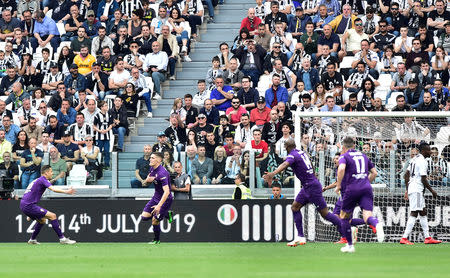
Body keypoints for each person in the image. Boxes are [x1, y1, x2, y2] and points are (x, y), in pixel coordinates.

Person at [264, 139, 343, 246]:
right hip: (308, 186)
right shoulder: (301, 152)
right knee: (295, 207)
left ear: (287, 147)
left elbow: (285, 164)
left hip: (311, 187)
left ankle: (346, 229)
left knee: (325, 214)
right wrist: (313, 177)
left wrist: (272, 174)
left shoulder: (292, 155)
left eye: (284, 147)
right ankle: (300, 237)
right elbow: (311, 165)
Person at [335, 137, 384, 253]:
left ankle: (350, 245)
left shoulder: (344, 156)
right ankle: (377, 224)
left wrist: (338, 185)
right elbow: (374, 173)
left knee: (343, 216)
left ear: (344, 147)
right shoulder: (363, 155)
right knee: (367, 217)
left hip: (352, 189)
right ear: (354, 146)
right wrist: (365, 182)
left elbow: (341, 169)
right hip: (366, 188)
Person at [20, 165, 76, 245]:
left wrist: (29, 212)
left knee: (42, 220)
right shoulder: (42, 180)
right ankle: (62, 239)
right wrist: (67, 191)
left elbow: (31, 193)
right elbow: (53, 189)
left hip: (25, 204)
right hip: (28, 206)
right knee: (52, 216)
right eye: (51, 171)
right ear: (46, 173)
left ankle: (32, 240)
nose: (52, 173)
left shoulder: (38, 180)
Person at [400, 143, 442, 245]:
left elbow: (406, 175)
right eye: (428, 150)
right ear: (423, 151)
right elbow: (423, 179)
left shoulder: (414, 159)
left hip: (413, 188)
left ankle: (427, 237)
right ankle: (404, 238)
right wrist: (432, 191)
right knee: (414, 212)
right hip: (417, 189)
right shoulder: (423, 161)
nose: (430, 152)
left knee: (423, 212)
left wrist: (407, 189)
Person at [139, 152, 173, 244]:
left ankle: (156, 240)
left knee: (154, 221)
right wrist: (147, 180)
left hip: (165, 199)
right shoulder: (152, 168)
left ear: (158, 160)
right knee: (144, 217)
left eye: (152, 158)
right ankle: (166, 213)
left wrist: (158, 206)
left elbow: (167, 192)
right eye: (150, 157)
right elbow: (145, 183)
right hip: (156, 197)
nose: (150, 159)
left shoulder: (163, 173)